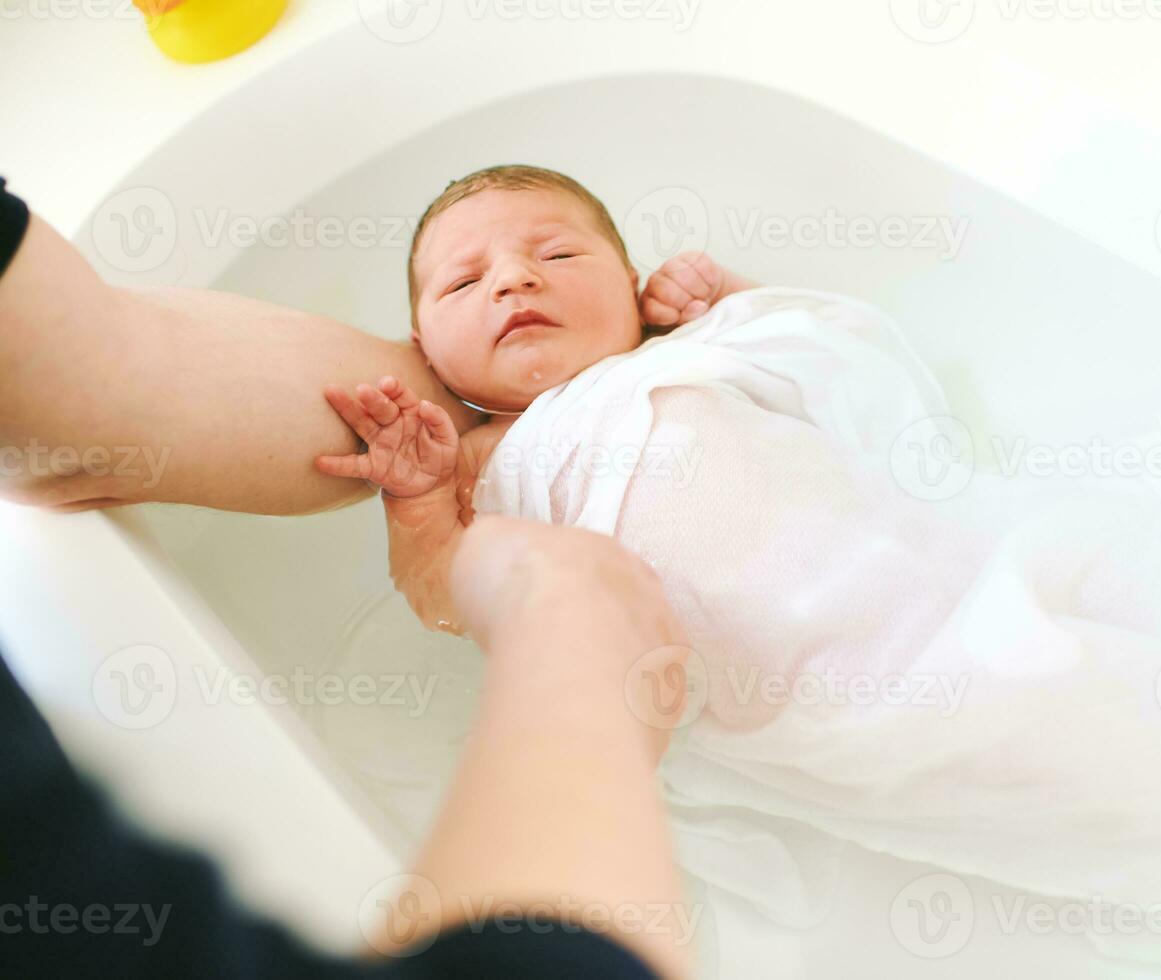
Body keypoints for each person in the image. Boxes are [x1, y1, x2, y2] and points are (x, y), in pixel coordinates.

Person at [0, 177, 696, 979]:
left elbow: (825, 362)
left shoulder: (687, 350)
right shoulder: (474, 464)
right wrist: (423, 502)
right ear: (420, 349)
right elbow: (441, 589)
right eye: (465, 284)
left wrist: (710, 302)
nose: (513, 279)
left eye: (560, 254)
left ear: (636, 284)